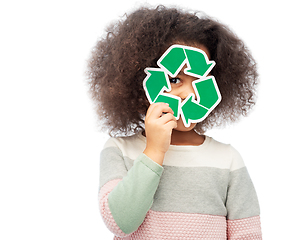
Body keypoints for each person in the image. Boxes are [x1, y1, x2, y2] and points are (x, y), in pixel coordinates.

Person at [86, 5, 262, 239]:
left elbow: (247, 234)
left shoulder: (227, 161)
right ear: (139, 83)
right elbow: (121, 221)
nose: (189, 93)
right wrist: (154, 152)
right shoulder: (119, 150)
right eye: (175, 79)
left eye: (198, 80)